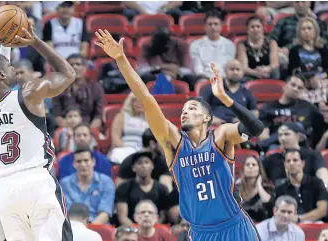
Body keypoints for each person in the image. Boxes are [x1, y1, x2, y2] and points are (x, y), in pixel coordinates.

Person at [95, 29, 264, 241]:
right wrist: (121, 60)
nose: (185, 112)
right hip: (202, 232)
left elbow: (256, 128)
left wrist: (224, 97)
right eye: (183, 110)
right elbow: (147, 100)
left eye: (192, 108)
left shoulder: (221, 135)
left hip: (234, 226)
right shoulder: (173, 142)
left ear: (206, 118)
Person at [0, 20, 75, 240]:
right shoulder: (29, 94)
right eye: (10, 68)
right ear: (2, 75)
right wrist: (36, 41)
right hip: (37, 183)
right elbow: (68, 74)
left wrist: (5, 44)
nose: (14, 69)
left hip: (6, 191)